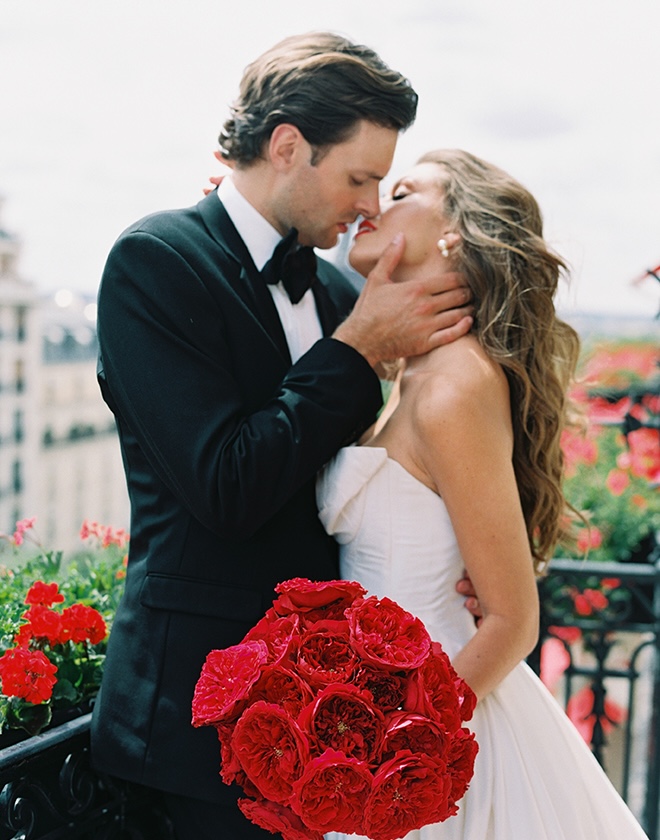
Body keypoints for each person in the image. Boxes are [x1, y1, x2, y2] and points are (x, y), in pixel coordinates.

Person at [90, 33, 474, 840]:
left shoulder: (339, 289)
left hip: (329, 731)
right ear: (289, 147)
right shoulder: (154, 262)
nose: (371, 204)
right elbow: (227, 487)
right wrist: (358, 351)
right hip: (192, 718)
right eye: (360, 177)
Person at [317, 149, 649, 839]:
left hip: (431, 730)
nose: (375, 203)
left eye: (402, 189)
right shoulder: (419, 373)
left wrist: (404, 749)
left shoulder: (451, 383)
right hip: (383, 712)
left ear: (454, 235)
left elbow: (511, 619)